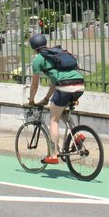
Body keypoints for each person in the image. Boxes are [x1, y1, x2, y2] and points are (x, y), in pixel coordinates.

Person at [26, 33, 86, 164]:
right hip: (80, 84)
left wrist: (31, 100)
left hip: (65, 87)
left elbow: (34, 85)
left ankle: (53, 155)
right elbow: (55, 80)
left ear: (33, 48)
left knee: (53, 119)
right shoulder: (56, 54)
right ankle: (77, 136)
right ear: (45, 43)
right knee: (60, 110)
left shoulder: (38, 60)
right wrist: (47, 98)